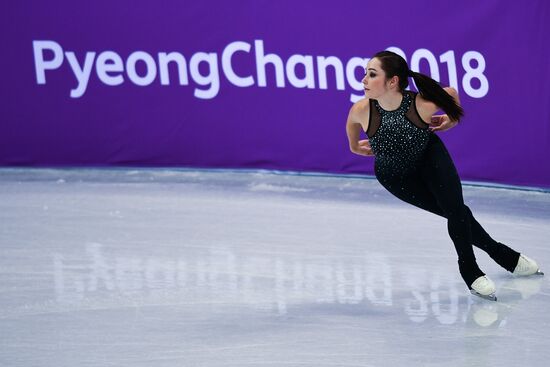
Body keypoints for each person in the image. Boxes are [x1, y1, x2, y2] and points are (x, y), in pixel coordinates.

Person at [345, 50, 543, 300]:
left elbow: (450, 94)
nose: (364, 79)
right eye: (365, 73)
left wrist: (452, 120)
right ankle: (501, 253)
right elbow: (352, 133)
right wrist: (358, 147)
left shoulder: (421, 104)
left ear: (392, 81)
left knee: (456, 210)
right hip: (396, 177)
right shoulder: (362, 110)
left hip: (430, 158)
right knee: (456, 212)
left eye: (372, 74)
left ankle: (470, 270)